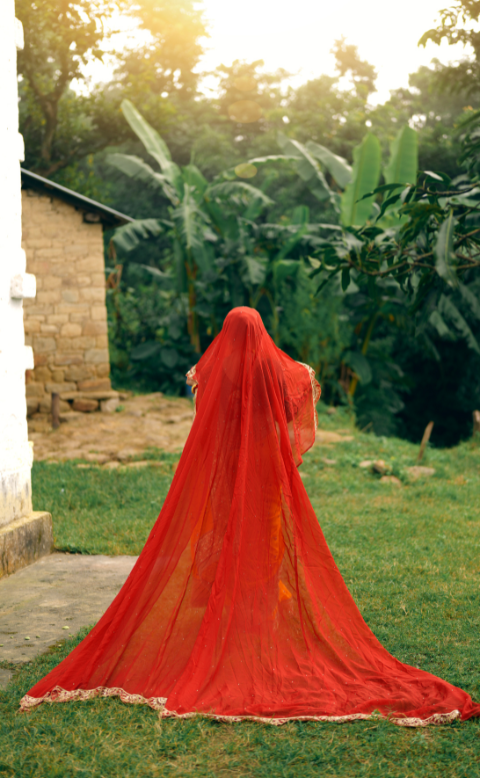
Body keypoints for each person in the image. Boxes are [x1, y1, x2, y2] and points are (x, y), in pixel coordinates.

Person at [21, 307, 480, 725]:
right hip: (265, 470)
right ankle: (260, 616)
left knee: (226, 538)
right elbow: (300, 408)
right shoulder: (279, 371)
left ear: (226, 334)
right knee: (267, 539)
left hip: (225, 473)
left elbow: (205, 414)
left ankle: (230, 617)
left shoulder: (212, 370)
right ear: (260, 333)